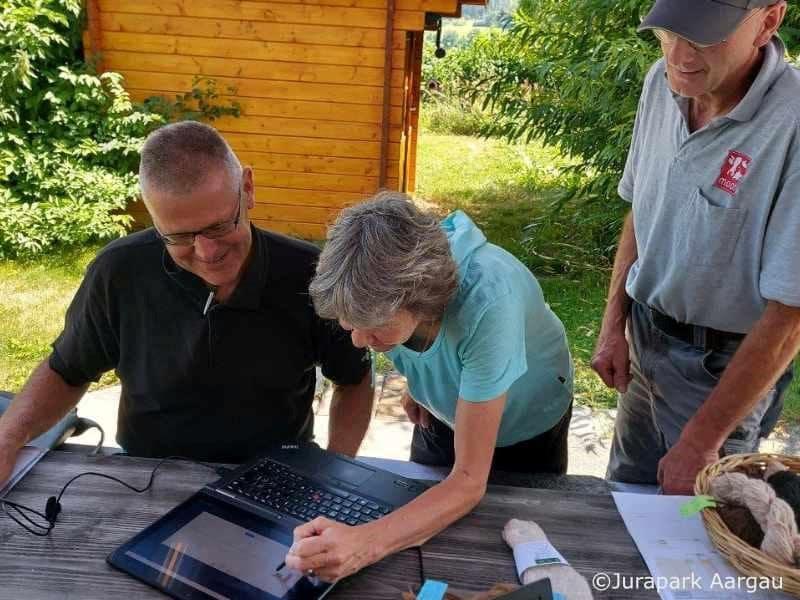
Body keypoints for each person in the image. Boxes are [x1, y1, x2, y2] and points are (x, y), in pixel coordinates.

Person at [0, 122, 373, 484]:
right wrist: (7, 438)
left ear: (248, 189)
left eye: (219, 226)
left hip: (276, 478)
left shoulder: (311, 273)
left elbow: (354, 380)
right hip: (146, 476)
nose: (207, 253)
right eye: (179, 236)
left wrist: (333, 471)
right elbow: (68, 370)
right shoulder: (119, 272)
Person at [284, 192, 574, 581]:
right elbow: (422, 341)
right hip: (443, 414)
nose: (356, 340)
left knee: (524, 540)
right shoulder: (388, 295)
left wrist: (362, 545)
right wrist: (423, 383)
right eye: (350, 324)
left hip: (528, 421)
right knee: (429, 524)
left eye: (372, 325)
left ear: (422, 300)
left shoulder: (489, 300)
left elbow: (469, 483)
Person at [592, 0, 800, 494]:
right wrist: (612, 326)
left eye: (704, 37)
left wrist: (703, 440)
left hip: (721, 372)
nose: (679, 56)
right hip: (644, 343)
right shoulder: (658, 85)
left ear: (768, 21)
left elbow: (790, 315)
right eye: (668, 33)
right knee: (624, 500)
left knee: (695, 534)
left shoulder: (793, 122)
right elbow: (641, 211)